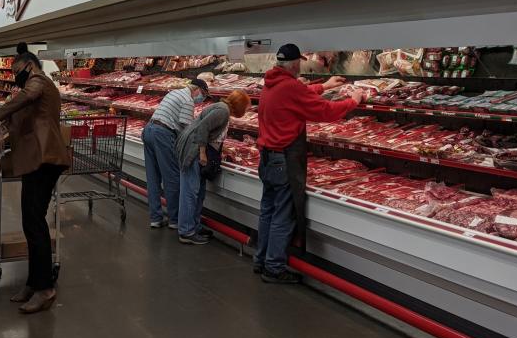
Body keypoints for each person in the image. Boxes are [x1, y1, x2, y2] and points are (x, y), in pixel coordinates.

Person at [254, 44, 364, 284]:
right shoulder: (291, 86)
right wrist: (353, 101)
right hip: (283, 160)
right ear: (295, 64)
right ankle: (273, 268)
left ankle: (261, 259)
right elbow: (323, 112)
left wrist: (325, 86)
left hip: (267, 158)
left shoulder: (271, 83)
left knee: (268, 211)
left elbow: (298, 95)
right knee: (284, 214)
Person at [0, 50, 70, 313]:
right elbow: (19, 127)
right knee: (31, 222)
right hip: (34, 159)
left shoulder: (38, 81)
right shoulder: (31, 90)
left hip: (45, 158)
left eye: (16, 71)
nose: (15, 76)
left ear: (29, 66)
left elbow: (27, 95)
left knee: (35, 223)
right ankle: (33, 282)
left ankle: (45, 289)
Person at [175, 89, 250, 244]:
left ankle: (194, 226)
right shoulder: (222, 111)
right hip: (193, 150)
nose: (247, 110)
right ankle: (186, 231)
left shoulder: (222, 108)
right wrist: (202, 153)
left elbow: (211, 132)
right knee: (190, 192)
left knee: (198, 192)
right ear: (239, 105)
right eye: (246, 107)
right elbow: (203, 128)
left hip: (195, 147)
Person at [141, 78, 209, 229]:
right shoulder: (187, 100)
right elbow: (187, 130)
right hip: (163, 135)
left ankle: (156, 218)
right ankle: (175, 220)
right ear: (196, 90)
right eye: (203, 94)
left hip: (148, 130)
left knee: (153, 178)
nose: (201, 99)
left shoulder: (174, 93)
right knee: (172, 178)